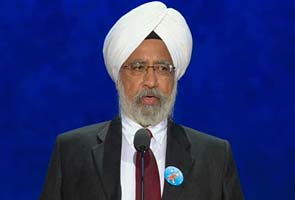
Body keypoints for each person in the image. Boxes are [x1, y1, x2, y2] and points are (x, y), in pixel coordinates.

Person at [40, 1, 244, 200]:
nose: (151, 81)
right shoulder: (72, 151)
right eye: (138, 67)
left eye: (163, 69)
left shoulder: (214, 156)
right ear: (118, 76)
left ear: (175, 78)